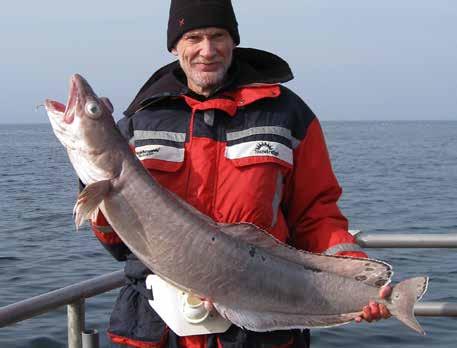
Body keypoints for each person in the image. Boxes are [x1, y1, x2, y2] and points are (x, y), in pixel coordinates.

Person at [90, 1, 391, 347]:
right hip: (159, 327)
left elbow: (316, 214)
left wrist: (355, 275)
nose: (207, 50)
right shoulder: (139, 122)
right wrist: (94, 187)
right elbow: (118, 245)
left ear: (233, 40)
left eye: (218, 36)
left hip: (258, 329)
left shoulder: (287, 115)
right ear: (175, 46)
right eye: (194, 37)